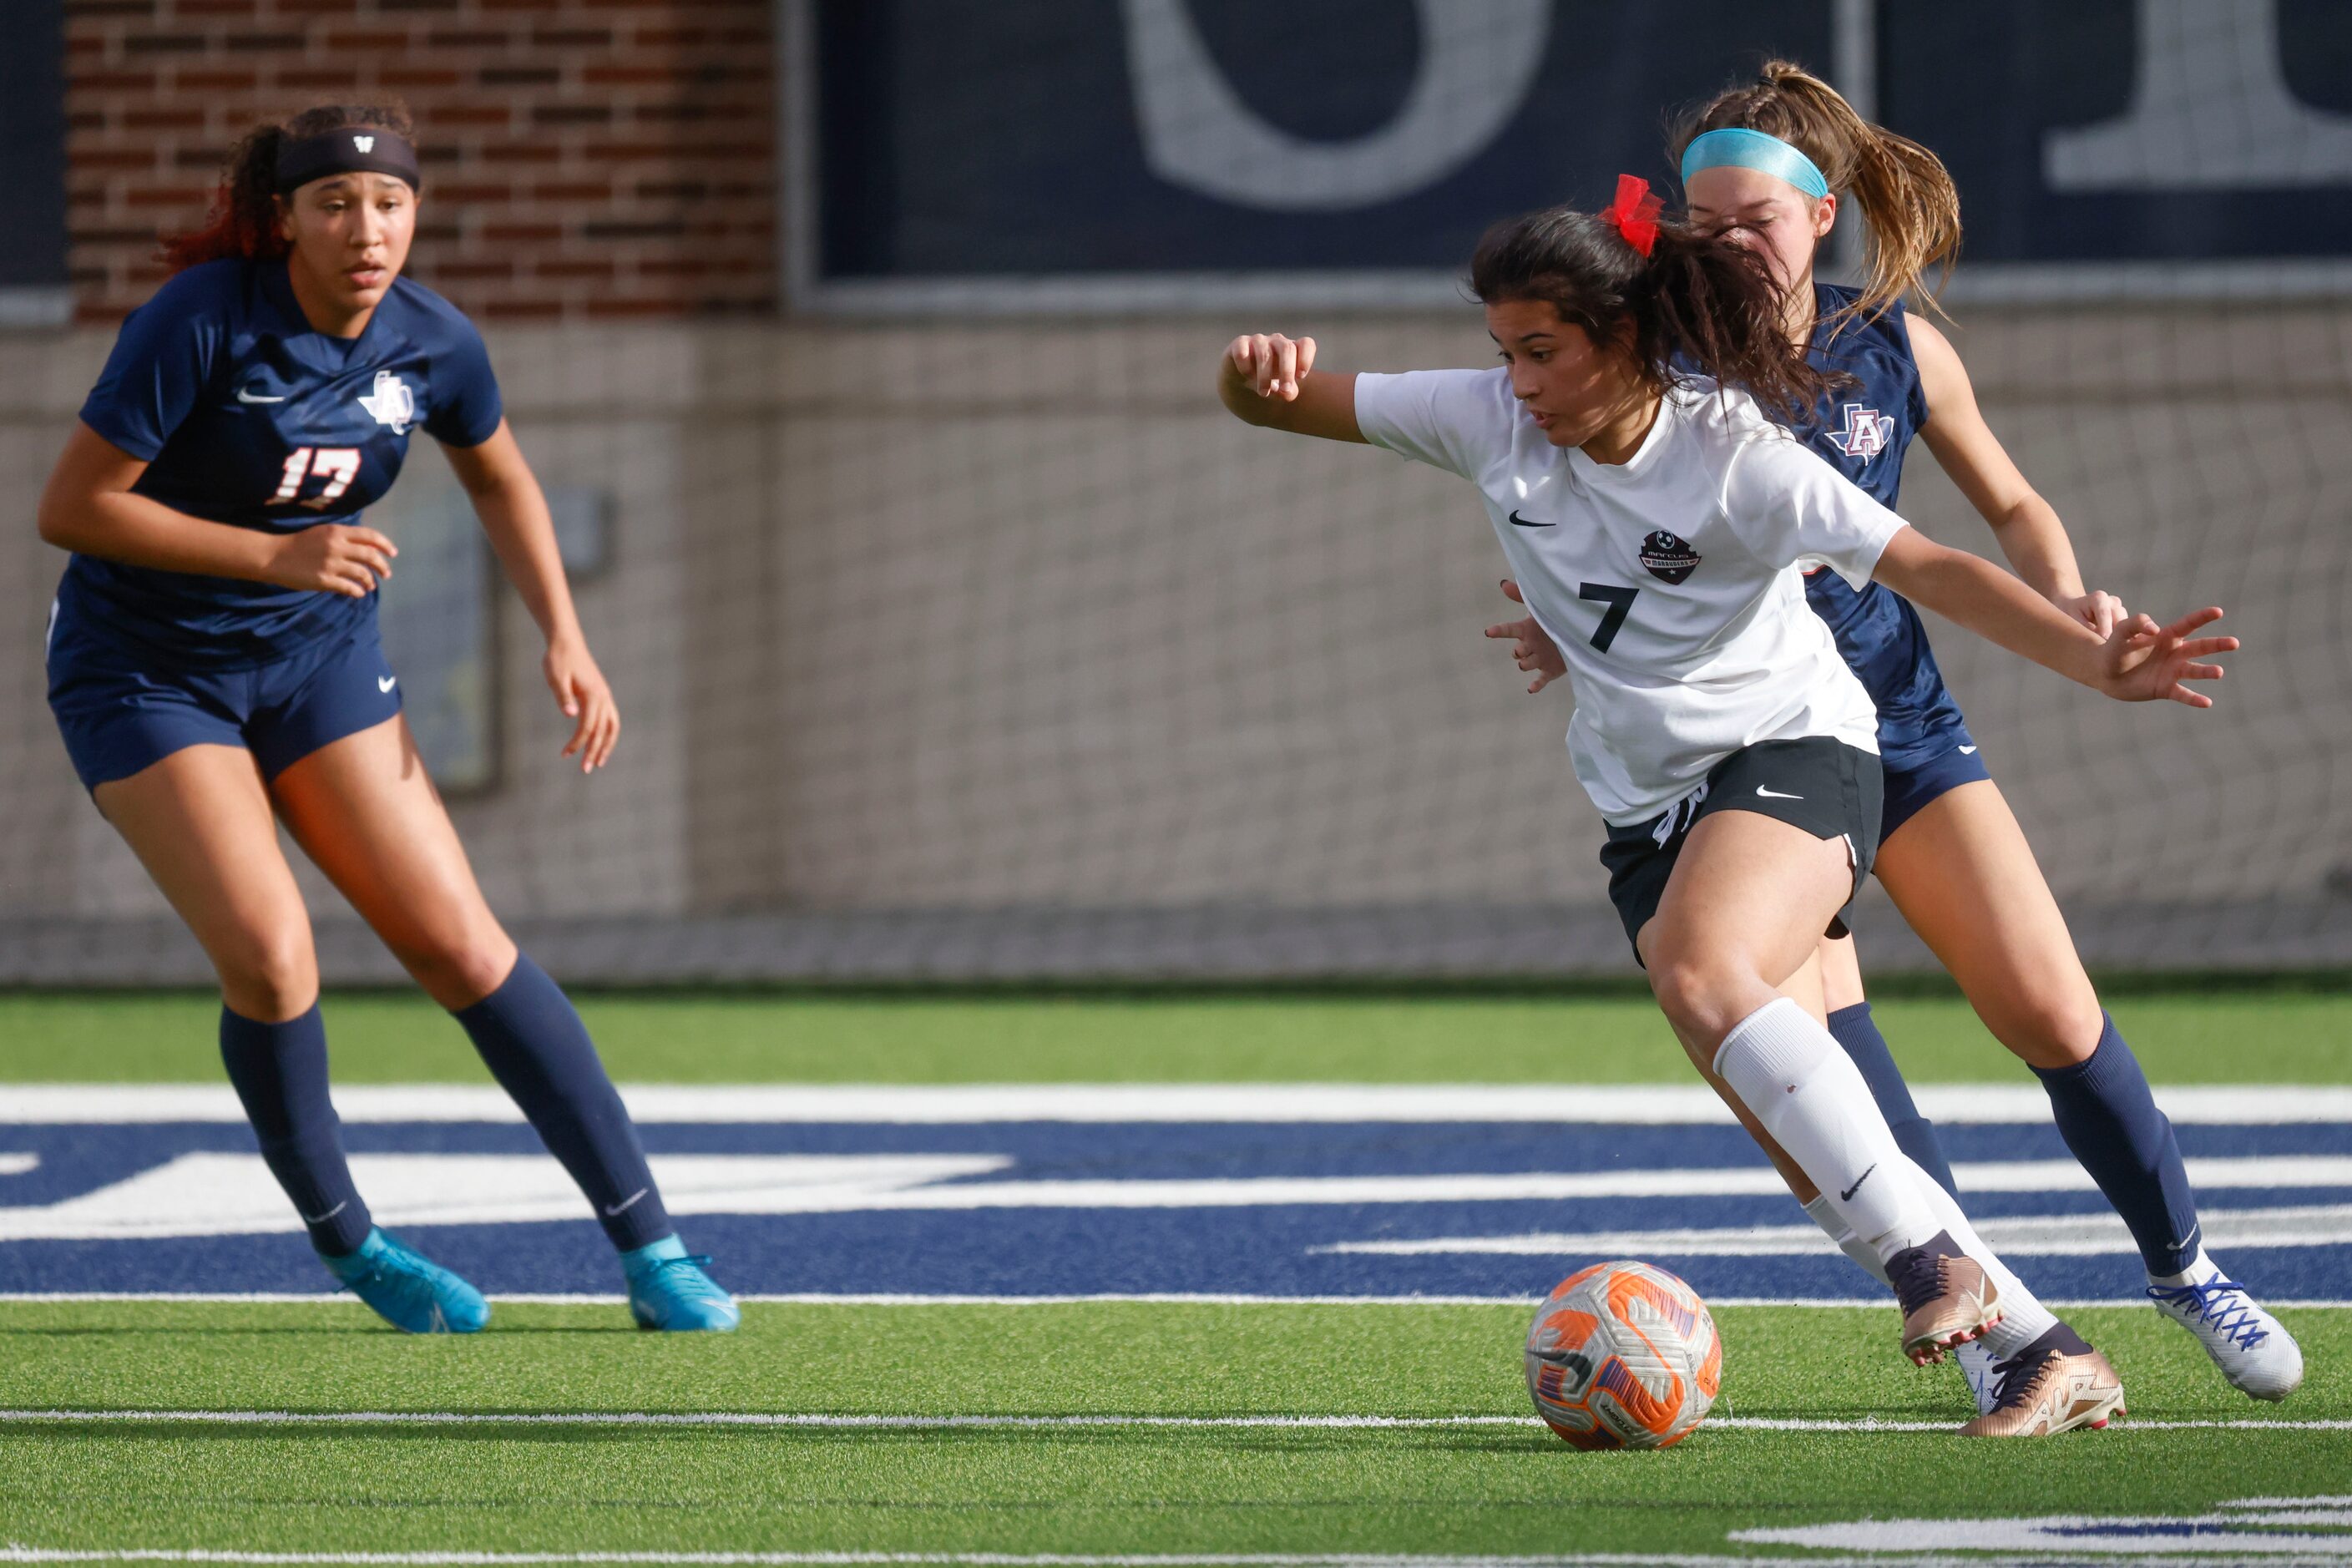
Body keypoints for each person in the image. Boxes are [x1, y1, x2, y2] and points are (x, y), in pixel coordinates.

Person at [1216, 178, 2243, 1434]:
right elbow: (1284, 406)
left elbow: (1933, 565)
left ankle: (1937, 1268)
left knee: (1702, 975)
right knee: (1793, 1123)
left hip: (1796, 749)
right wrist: (1249, 375)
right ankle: (2040, 1347)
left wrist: (2094, 657)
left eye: (1542, 352)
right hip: (1646, 808)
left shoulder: (1736, 458)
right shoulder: (1492, 418)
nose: (1517, 382)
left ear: (1627, 335)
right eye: (1503, 353)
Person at [1483, 62, 2301, 1406]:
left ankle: (2182, 1264)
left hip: (1895, 729)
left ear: (1821, 216)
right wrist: (1568, 617)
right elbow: (1570, 482)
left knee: (2047, 1008)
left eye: (1752, 216)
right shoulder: (1656, 349)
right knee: (1820, 1069)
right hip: (1748, 748)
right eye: (1697, 215)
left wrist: (2069, 600)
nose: (1720, 239)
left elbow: (2012, 503)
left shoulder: (1897, 348)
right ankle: (2012, 1340)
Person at [35, 101, 737, 1335]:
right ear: (285, 220)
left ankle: (654, 1248)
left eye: (392, 204)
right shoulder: (198, 323)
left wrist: (565, 635)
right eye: (336, 205)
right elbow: (75, 508)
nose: (369, 230)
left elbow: (502, 474)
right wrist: (273, 560)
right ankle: (353, 1242)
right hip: (146, 670)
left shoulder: (434, 343)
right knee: (272, 955)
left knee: (461, 946)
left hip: (315, 665)